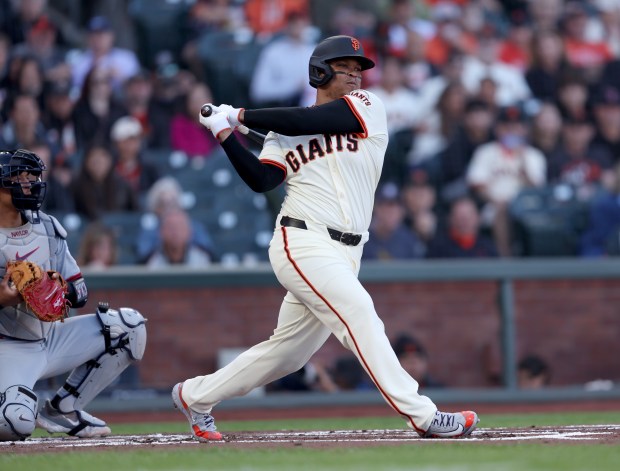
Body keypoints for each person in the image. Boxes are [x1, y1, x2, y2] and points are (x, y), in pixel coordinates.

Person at [172, 35, 479, 441]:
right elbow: (262, 179)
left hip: (348, 250)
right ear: (319, 72)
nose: (356, 73)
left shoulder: (369, 107)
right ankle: (423, 414)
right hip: (302, 240)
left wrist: (242, 115)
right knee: (359, 312)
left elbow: (308, 121)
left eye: (360, 68)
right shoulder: (282, 135)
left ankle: (194, 395)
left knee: (287, 354)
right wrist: (225, 133)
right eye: (345, 66)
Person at [0, 148, 147, 441]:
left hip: (52, 336)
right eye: (20, 178)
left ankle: (62, 409)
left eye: (32, 177)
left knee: (130, 328)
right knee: (14, 423)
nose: (29, 184)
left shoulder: (48, 227)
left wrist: (57, 289)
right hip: (9, 347)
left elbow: (80, 290)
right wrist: (8, 298)